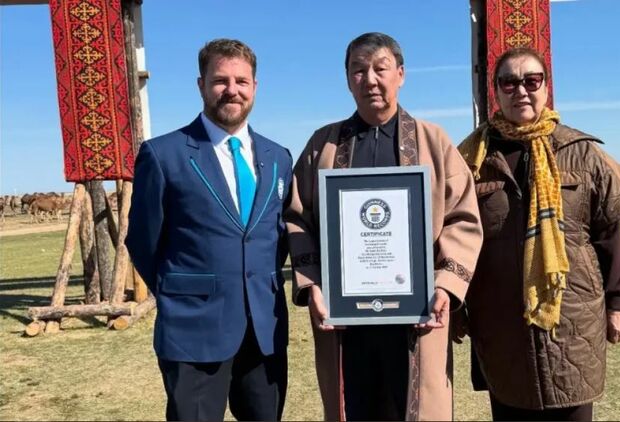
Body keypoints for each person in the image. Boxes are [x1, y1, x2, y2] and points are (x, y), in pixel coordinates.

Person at [284, 32, 483, 421]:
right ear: (347, 79)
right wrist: (313, 286)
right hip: (345, 323)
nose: (370, 80)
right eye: (359, 70)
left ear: (401, 74)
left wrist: (445, 285)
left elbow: (463, 217)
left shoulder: (433, 141)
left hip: (417, 317)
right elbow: (297, 217)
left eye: (381, 68)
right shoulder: (322, 146)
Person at [454, 47, 620, 421]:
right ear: (495, 91)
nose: (520, 91)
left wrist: (619, 303)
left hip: (573, 317)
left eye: (531, 80)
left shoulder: (581, 152)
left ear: (546, 87)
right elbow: (456, 238)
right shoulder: (470, 159)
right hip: (499, 319)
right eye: (509, 83)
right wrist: (457, 305)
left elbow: (608, 235)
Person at [125, 38, 292, 421]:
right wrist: (182, 291)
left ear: (255, 87)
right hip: (193, 329)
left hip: (264, 330)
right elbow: (143, 241)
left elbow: (276, 237)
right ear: (201, 85)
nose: (232, 90)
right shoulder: (163, 155)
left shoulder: (278, 158)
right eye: (220, 80)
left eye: (241, 81)